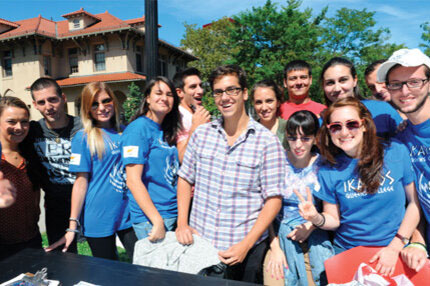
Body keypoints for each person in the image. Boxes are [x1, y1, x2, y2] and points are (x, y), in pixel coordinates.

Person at [176, 65, 286, 284]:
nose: (224, 97)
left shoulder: (267, 142)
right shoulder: (202, 134)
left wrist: (246, 245)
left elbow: (273, 200)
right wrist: (181, 224)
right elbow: (185, 178)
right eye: (218, 92)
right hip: (201, 246)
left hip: (244, 252)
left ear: (244, 93)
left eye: (231, 90)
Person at [295, 97, 420, 276]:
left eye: (351, 124)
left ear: (364, 125)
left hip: (395, 248)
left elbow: (415, 204)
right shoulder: (328, 168)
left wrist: (396, 246)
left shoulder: (396, 152)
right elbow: (333, 219)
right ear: (329, 131)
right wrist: (315, 218)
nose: (344, 132)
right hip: (348, 252)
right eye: (336, 127)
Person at [45, 82, 136, 260]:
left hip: (129, 214)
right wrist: (72, 225)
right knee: (108, 274)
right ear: (87, 109)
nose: (102, 108)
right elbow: (80, 182)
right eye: (94, 104)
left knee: (143, 267)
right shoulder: (83, 137)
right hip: (99, 216)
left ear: (113, 102)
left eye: (106, 101)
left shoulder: (127, 132)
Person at [377, 48, 430, 271]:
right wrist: (417, 239)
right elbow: (415, 198)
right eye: (396, 84)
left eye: (414, 82)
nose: (404, 91)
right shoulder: (400, 140)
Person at [267, 110, 333, 286]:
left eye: (305, 138)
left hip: (316, 233)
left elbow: (330, 211)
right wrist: (274, 248)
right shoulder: (277, 162)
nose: (298, 145)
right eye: (292, 138)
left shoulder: (324, 165)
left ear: (315, 138)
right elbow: (268, 211)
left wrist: (311, 225)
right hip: (279, 237)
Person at [22, 77, 82, 253]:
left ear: (63, 98)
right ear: (35, 105)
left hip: (87, 200)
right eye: (41, 102)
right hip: (56, 204)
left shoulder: (83, 127)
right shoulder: (32, 131)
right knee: (62, 255)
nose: (48, 106)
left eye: (52, 99)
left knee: (102, 256)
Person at [122, 76, 181, 241]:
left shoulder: (163, 129)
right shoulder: (138, 130)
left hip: (170, 211)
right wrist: (157, 221)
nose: (164, 98)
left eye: (169, 94)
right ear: (147, 98)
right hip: (151, 218)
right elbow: (133, 181)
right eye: (159, 93)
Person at [0, 97, 41, 260]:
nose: (19, 127)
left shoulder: (32, 155)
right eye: (11, 121)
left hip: (31, 241)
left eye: (24, 122)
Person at [321, 57, 402, 139]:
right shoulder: (321, 122)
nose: (337, 88)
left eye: (343, 80)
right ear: (323, 86)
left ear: (355, 80)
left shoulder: (383, 110)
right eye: (330, 83)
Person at [173, 68, 211, 162]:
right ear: (179, 92)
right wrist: (195, 127)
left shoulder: (198, 113)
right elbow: (182, 158)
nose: (200, 91)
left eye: (200, 85)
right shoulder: (178, 117)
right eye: (193, 87)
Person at [252, 79, 288, 149]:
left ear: (278, 102)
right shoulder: (249, 132)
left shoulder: (289, 129)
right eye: (259, 102)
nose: (264, 108)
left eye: (269, 101)